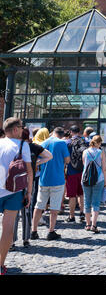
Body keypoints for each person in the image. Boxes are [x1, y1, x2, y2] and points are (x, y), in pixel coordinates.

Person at [0, 118, 33, 276]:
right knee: (8, 229)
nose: (22, 130)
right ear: (14, 130)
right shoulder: (23, 145)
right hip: (13, 191)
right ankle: (0, 265)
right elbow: (29, 171)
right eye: (21, 128)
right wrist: (29, 192)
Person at [12, 128, 52, 249]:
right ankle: (26, 239)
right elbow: (49, 156)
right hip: (29, 181)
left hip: (14, 182)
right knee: (27, 210)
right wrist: (36, 163)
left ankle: (11, 241)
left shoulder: (13, 146)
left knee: (13, 212)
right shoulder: (33, 147)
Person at [31, 127, 70, 241]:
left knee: (39, 205)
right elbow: (67, 160)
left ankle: (34, 231)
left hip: (44, 179)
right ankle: (51, 231)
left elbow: (36, 160)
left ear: (53, 133)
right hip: (57, 179)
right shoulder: (62, 143)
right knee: (54, 207)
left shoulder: (43, 142)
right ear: (62, 135)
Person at [82, 135, 106, 234]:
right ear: (99, 143)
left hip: (85, 179)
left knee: (86, 201)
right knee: (96, 202)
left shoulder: (85, 152)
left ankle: (87, 224)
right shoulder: (101, 153)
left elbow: (85, 165)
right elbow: (104, 168)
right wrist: (105, 182)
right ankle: (94, 225)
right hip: (99, 179)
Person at [64, 125, 87, 223]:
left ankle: (71, 215)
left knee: (72, 195)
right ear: (79, 131)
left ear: (71, 132)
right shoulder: (84, 142)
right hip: (82, 171)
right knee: (81, 194)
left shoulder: (67, 143)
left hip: (71, 171)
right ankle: (82, 213)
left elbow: (65, 157)